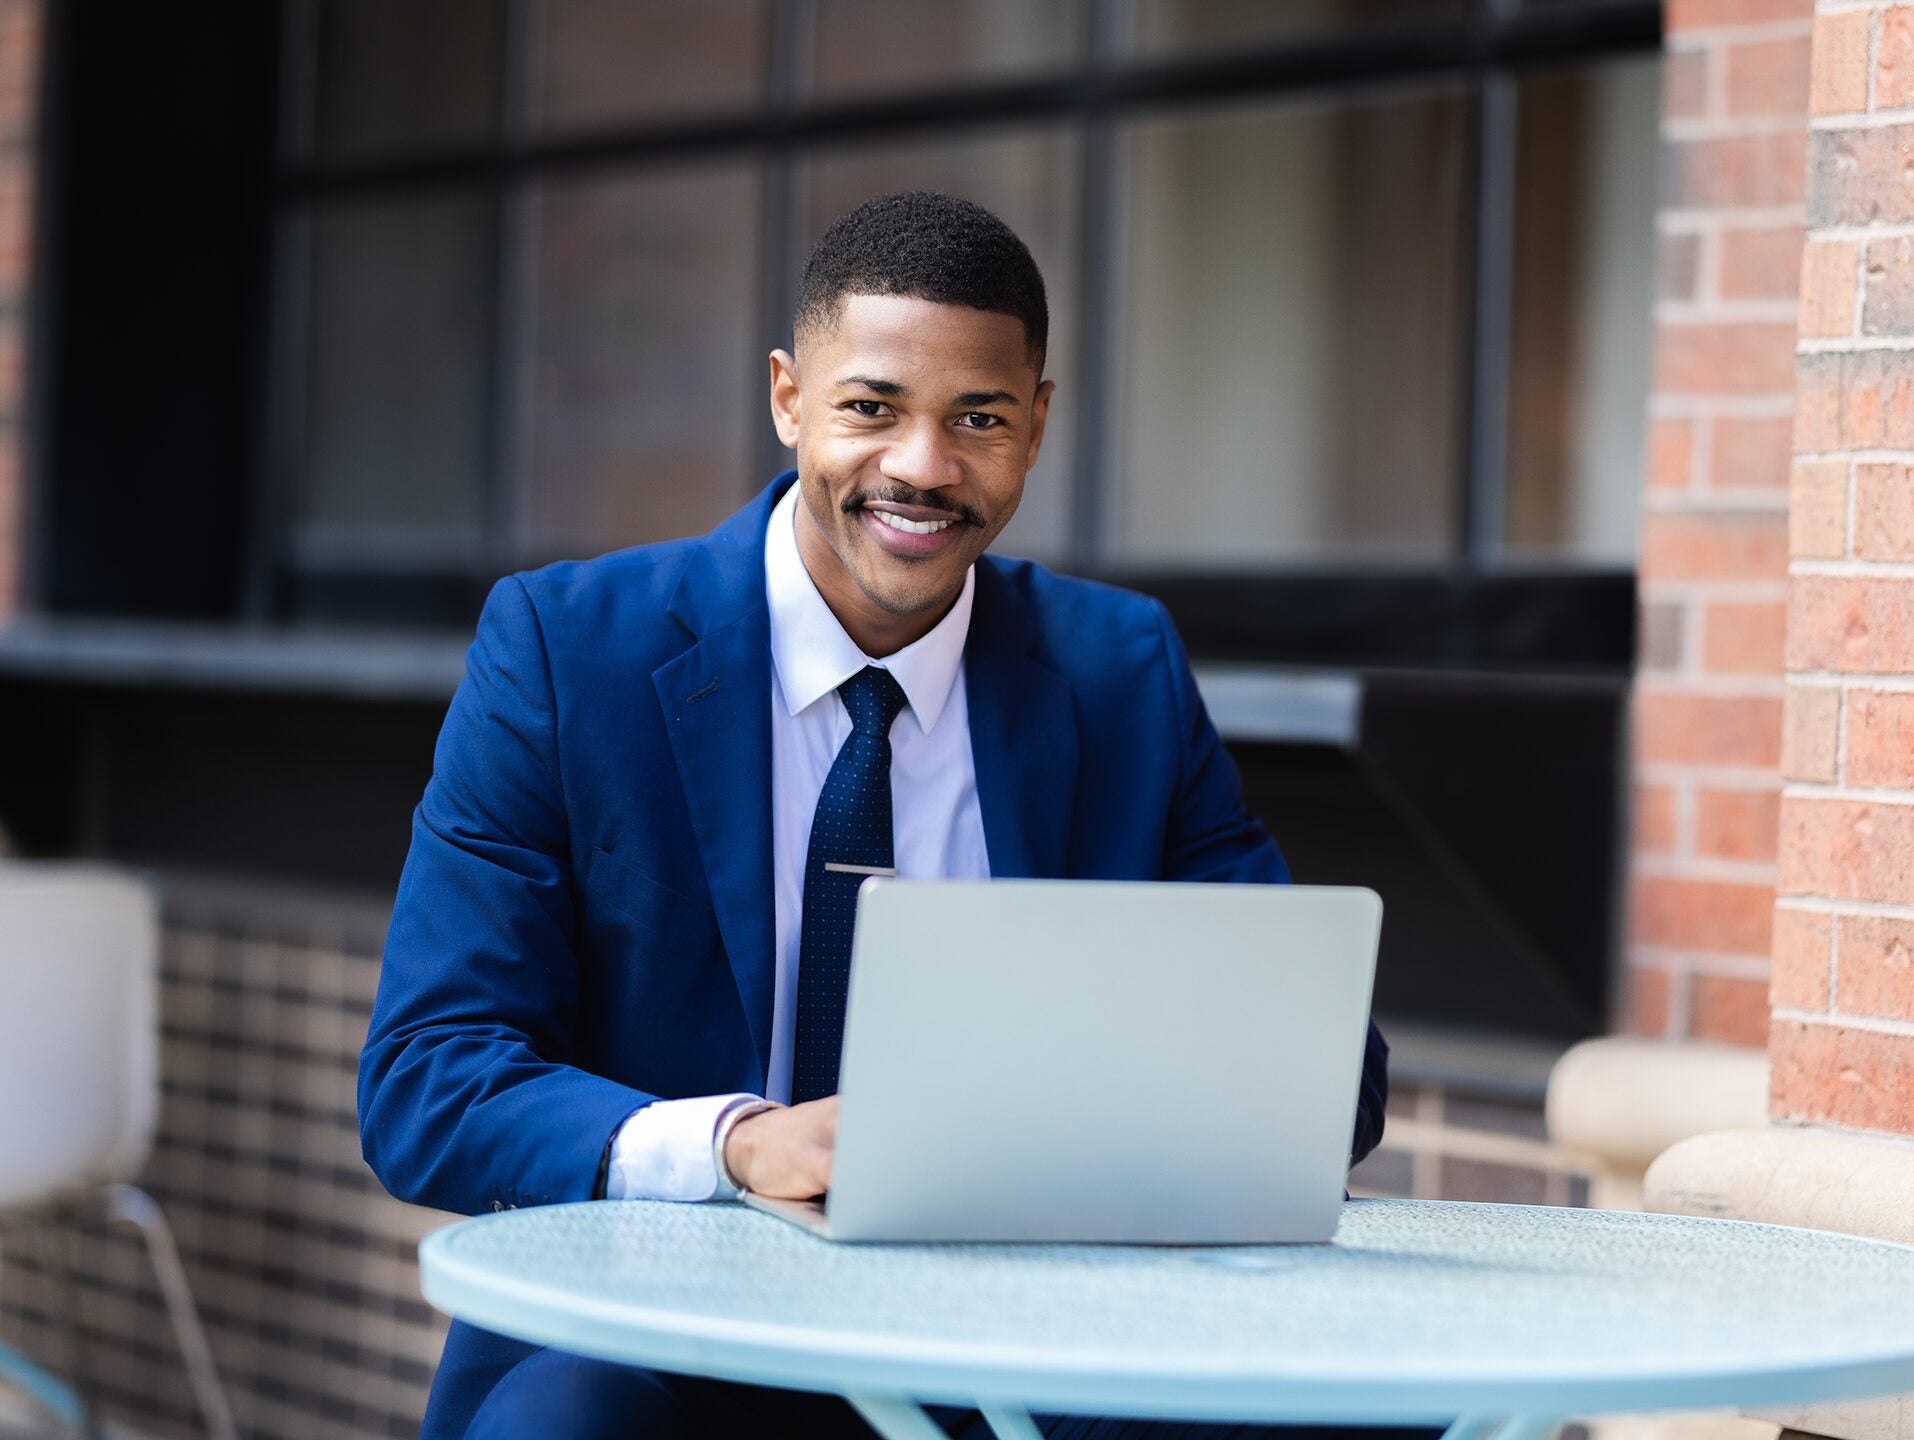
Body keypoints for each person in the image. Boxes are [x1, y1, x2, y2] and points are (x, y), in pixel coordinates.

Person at [357, 192, 1396, 1440]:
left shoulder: (1120, 669)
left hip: (1021, 1343)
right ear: (790, 398)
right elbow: (429, 1081)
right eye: (872, 408)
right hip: (661, 1338)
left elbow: (1326, 1076)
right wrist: (741, 1148)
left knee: (1353, 1419)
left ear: (1039, 425)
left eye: (979, 419)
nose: (924, 466)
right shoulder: (568, 652)